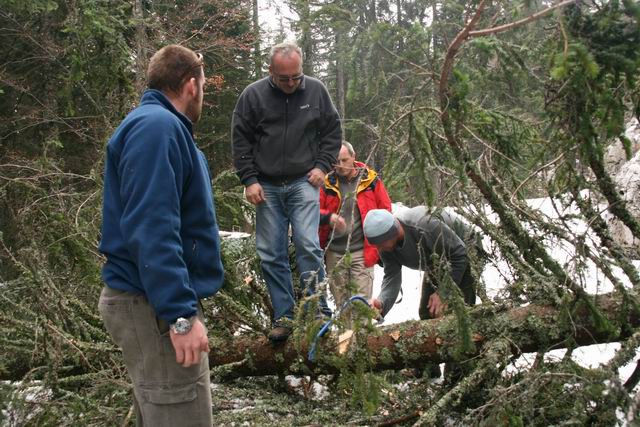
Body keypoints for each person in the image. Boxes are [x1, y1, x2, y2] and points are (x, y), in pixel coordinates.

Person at [98, 45, 224, 426]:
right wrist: (180, 316)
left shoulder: (162, 128)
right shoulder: (157, 127)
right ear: (191, 85)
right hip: (151, 306)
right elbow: (152, 226)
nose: (203, 94)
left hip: (153, 304)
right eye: (203, 86)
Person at [231, 42, 342, 341]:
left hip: (303, 181)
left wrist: (323, 165)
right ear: (271, 72)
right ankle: (285, 316)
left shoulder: (316, 91)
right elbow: (240, 140)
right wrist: (249, 179)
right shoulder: (252, 96)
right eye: (284, 79)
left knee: (308, 244)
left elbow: (333, 132)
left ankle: (318, 311)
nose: (292, 83)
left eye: (296, 77)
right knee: (271, 253)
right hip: (265, 185)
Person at [364, 206, 477, 322]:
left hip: (466, 249)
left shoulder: (425, 226)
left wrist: (443, 292)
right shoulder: (385, 246)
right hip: (436, 260)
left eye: (380, 243)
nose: (379, 249)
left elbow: (460, 254)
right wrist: (382, 303)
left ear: (392, 232)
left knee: (461, 311)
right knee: (428, 313)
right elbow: (392, 277)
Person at [318, 141, 391, 318]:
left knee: (362, 305)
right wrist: (329, 218)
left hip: (362, 251)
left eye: (344, 160)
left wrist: (380, 245)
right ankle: (346, 343)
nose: (340, 165)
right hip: (334, 253)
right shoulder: (327, 182)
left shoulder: (370, 180)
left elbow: (385, 211)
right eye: (336, 161)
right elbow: (313, 210)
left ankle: (362, 343)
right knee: (343, 306)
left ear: (353, 157)